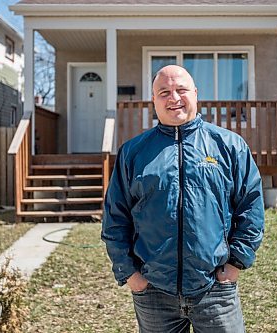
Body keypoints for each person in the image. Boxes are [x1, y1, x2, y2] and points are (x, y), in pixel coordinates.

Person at [101, 65, 264, 333]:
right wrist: (132, 276)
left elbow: (251, 207)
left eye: (181, 90)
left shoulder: (229, 146)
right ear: (153, 100)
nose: (173, 98)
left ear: (196, 94)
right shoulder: (133, 153)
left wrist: (234, 264)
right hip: (154, 293)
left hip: (214, 290)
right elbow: (115, 219)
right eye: (164, 92)